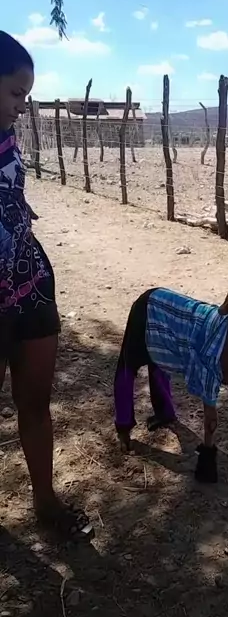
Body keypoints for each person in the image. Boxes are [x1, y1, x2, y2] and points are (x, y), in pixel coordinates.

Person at [0, 31, 92, 541]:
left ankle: (45, 499)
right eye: (16, 93)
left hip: (29, 284)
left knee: (35, 402)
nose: (21, 105)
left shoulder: (7, 138)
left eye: (26, 95)